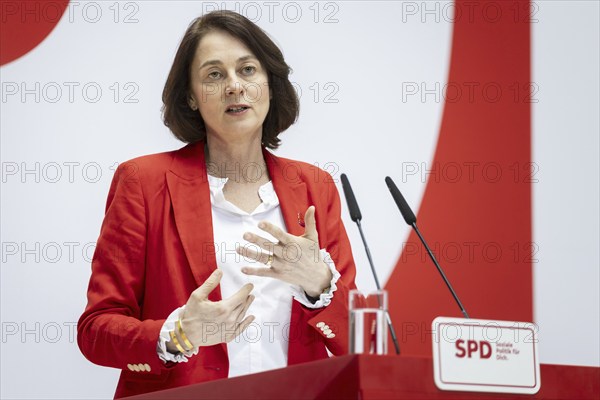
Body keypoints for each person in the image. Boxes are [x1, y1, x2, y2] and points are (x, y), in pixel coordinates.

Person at [77, 10, 357, 399]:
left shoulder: (314, 187)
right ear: (190, 95)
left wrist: (318, 283)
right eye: (214, 74)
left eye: (247, 70)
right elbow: (96, 330)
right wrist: (178, 333)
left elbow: (357, 340)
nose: (234, 87)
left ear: (270, 84)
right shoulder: (143, 182)